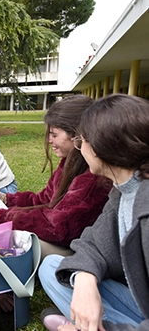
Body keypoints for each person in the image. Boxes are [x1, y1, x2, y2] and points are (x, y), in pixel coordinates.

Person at [39, 94, 149, 331]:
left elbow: (59, 224)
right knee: (52, 267)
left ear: (102, 146)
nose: (80, 148)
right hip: (137, 300)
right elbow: (93, 242)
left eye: (82, 141)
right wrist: (84, 279)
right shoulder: (122, 190)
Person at [0, 95, 112, 260]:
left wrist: (4, 217)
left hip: (76, 249)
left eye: (54, 135)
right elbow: (44, 199)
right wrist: (7, 200)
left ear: (79, 134)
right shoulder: (69, 163)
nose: (49, 141)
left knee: (19, 240)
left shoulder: (93, 177)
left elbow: (58, 227)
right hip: (63, 240)